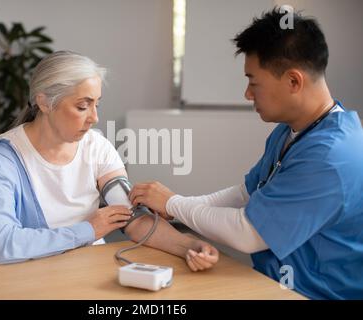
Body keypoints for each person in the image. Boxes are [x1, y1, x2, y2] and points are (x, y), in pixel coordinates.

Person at [129, 8, 363, 299]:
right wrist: (178, 205)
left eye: (253, 82)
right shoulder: (295, 129)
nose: (247, 94)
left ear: (293, 81)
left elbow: (248, 233)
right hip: (271, 282)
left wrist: (175, 204)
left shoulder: (330, 157)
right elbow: (246, 193)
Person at [0, 51, 218, 271]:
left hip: (89, 271)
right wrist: (88, 230)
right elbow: (0, 244)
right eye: (82, 106)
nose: (95, 117)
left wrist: (189, 245)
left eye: (96, 104)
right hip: (33, 278)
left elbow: (134, 219)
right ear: (44, 102)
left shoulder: (96, 146)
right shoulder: (2, 161)